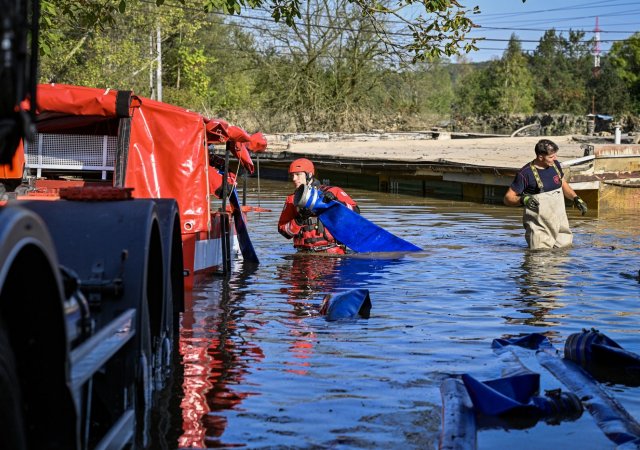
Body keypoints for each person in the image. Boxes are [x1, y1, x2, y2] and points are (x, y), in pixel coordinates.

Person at [504, 139, 588, 249]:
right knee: (539, 260)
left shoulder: (555, 165)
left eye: (555, 155)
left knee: (563, 256)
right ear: (540, 157)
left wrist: (576, 198)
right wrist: (523, 200)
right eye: (551, 157)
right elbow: (507, 198)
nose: (555, 159)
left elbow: (563, 184)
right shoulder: (525, 173)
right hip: (540, 229)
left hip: (560, 227)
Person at [278, 158, 359, 254]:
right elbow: (284, 232)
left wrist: (336, 202)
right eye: (292, 175)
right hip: (304, 256)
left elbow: (356, 211)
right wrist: (299, 219)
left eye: (298, 175)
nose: (294, 179)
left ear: (309, 175)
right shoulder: (292, 200)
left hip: (334, 253)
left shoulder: (334, 191)